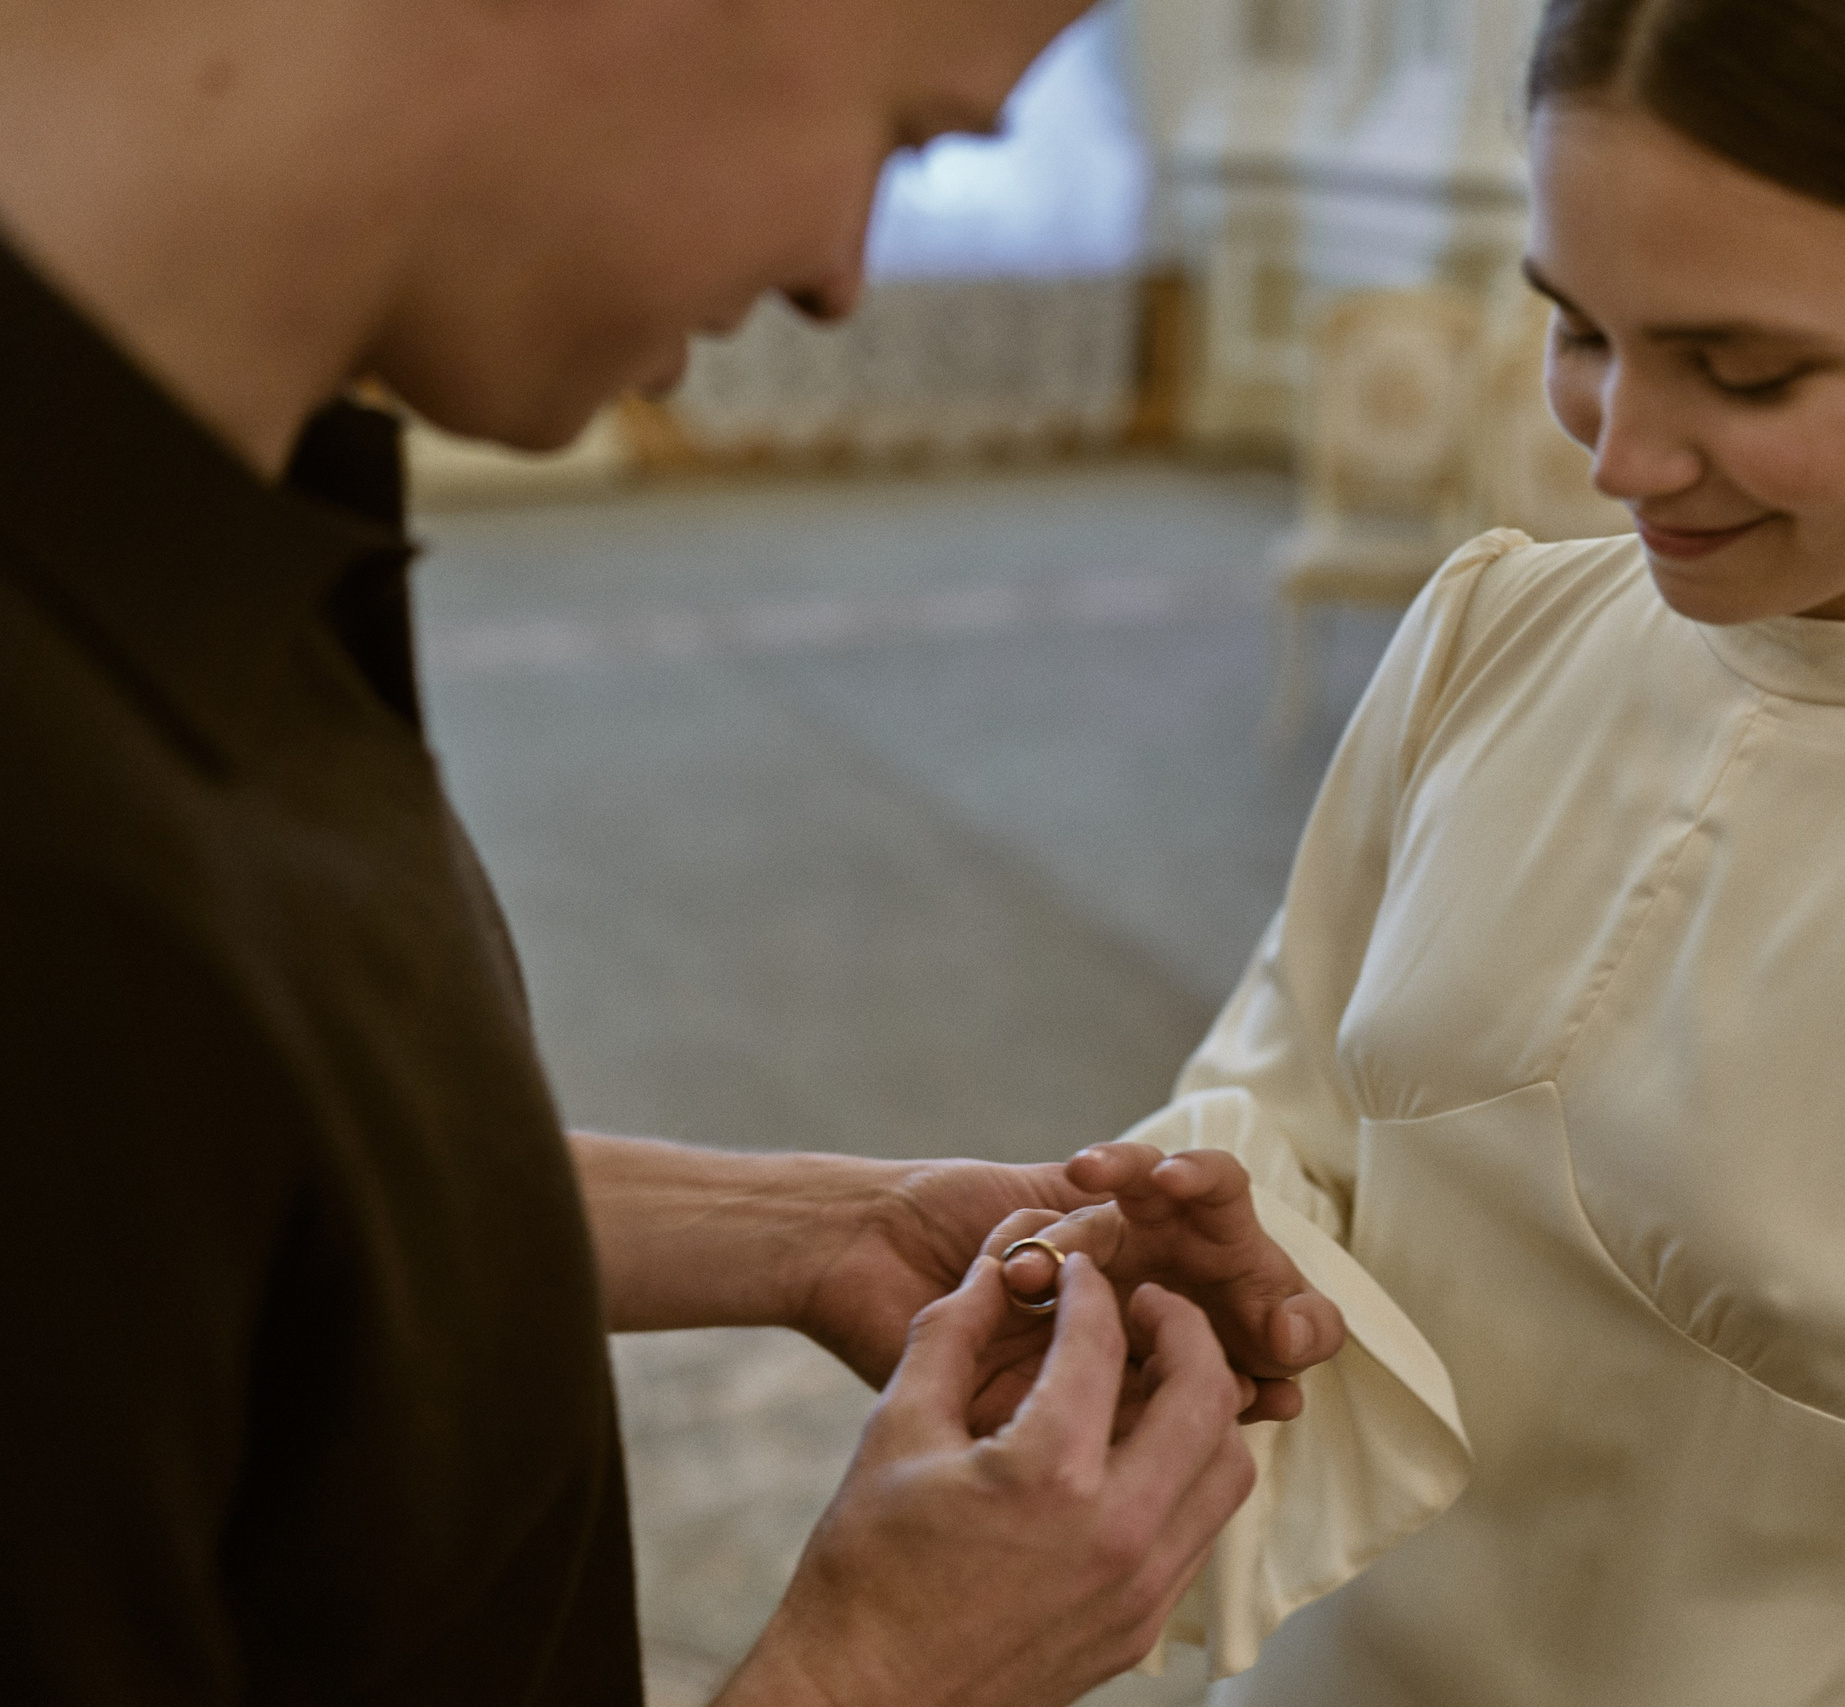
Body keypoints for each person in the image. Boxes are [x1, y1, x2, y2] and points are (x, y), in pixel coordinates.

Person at [995, 1, 1845, 1702]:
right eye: (1578, 328)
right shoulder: (1487, 631)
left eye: (1747, 371)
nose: (1620, 449)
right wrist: (1198, 1212)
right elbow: (1276, 1093)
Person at [0, 3, 1347, 1705]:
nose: (841, 273)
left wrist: (812, 1228)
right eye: (905, 133)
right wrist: (868, 1674)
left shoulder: (172, 520)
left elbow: (206, 1190)